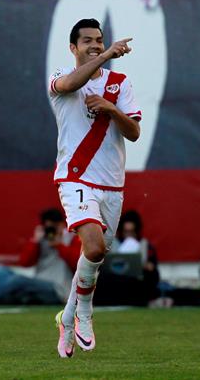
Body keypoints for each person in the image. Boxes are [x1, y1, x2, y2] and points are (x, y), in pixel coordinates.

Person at [48, 18, 141, 358]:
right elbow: (72, 82)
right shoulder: (60, 78)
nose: (94, 45)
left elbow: (133, 132)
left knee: (93, 257)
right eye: (86, 41)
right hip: (74, 179)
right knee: (95, 247)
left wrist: (111, 108)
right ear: (73, 47)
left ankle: (66, 318)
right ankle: (85, 315)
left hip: (112, 185)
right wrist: (103, 59)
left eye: (99, 41)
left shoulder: (120, 84)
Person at [0, 209, 81, 305]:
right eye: (47, 227)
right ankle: (17, 296)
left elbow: (77, 264)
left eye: (53, 227)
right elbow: (24, 262)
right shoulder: (41, 239)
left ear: (61, 225)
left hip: (57, 288)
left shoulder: (71, 238)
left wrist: (59, 246)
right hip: (37, 282)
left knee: (17, 281)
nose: (51, 231)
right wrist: (34, 241)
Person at [95, 210, 161, 306]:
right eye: (126, 232)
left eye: (131, 232)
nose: (128, 235)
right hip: (115, 282)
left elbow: (153, 271)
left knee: (150, 276)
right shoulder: (112, 245)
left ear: (137, 231)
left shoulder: (145, 246)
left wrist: (148, 266)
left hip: (136, 283)